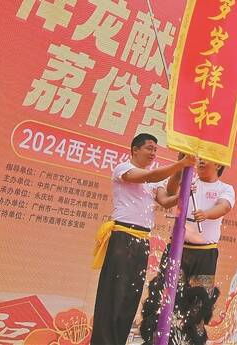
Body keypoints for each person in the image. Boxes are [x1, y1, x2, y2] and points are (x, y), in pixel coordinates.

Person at [90, 133, 196, 345]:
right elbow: (151, 176)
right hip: (123, 238)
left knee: (130, 297)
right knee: (113, 295)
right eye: (149, 148)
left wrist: (184, 191)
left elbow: (166, 201)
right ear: (135, 150)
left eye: (155, 149)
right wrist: (180, 164)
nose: (153, 153)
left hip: (142, 242)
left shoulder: (153, 183)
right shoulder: (124, 169)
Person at [140, 157, 235, 345]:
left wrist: (206, 214)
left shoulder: (225, 189)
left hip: (205, 255)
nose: (201, 162)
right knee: (165, 298)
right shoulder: (189, 181)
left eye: (207, 159)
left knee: (198, 306)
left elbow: (223, 207)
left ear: (218, 164)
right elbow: (170, 192)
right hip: (177, 250)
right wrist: (180, 166)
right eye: (200, 159)